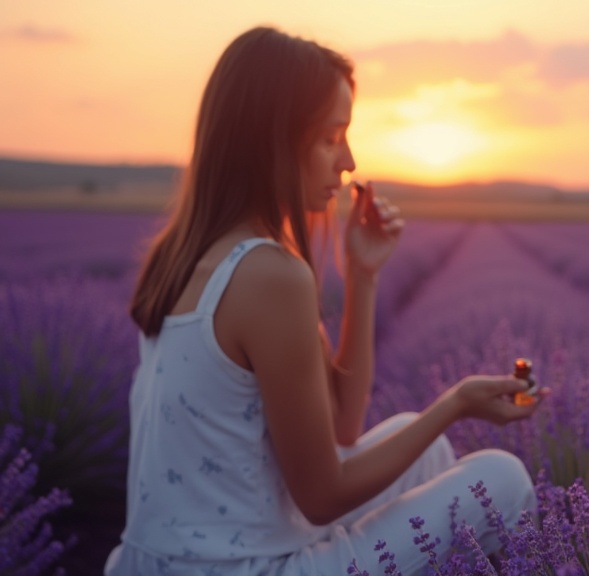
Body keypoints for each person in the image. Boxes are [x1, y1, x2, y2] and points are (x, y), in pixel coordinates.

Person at [105, 26, 546, 575]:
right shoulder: (271, 275)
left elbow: (340, 429)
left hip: (150, 564)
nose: (349, 160)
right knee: (503, 481)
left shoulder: (186, 256)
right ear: (273, 142)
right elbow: (322, 496)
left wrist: (363, 274)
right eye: (330, 136)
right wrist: (454, 404)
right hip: (239, 568)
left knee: (425, 454)